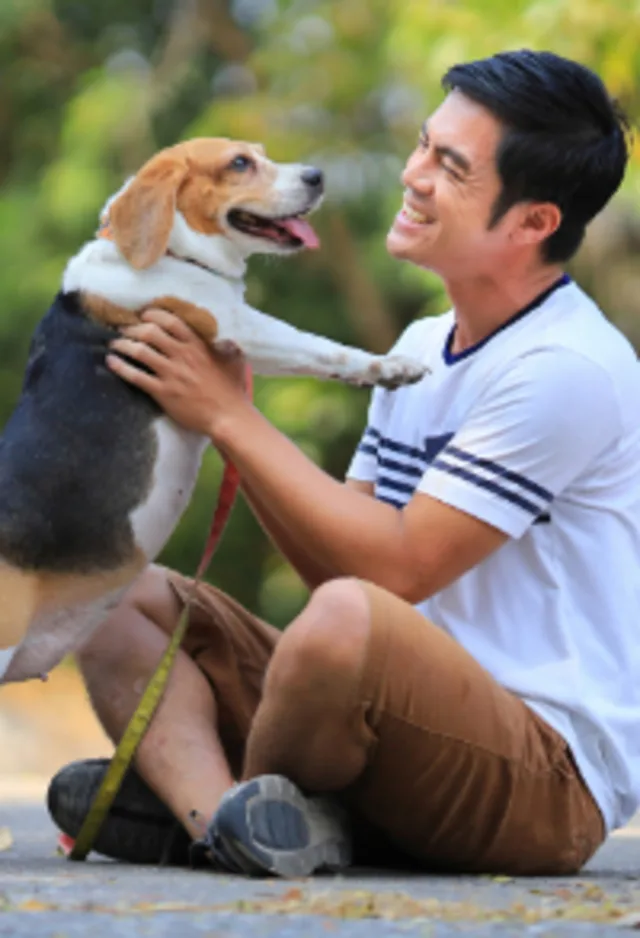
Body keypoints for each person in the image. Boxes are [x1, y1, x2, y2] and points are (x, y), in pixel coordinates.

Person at [48, 49, 640, 877]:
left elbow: (392, 573)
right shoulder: (420, 349)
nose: (414, 175)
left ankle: (208, 808)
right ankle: (230, 821)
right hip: (382, 727)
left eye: (451, 168)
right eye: (425, 146)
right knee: (114, 591)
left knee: (347, 620)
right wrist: (225, 417)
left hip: (537, 777)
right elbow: (335, 557)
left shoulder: (565, 367)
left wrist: (228, 415)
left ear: (535, 221)